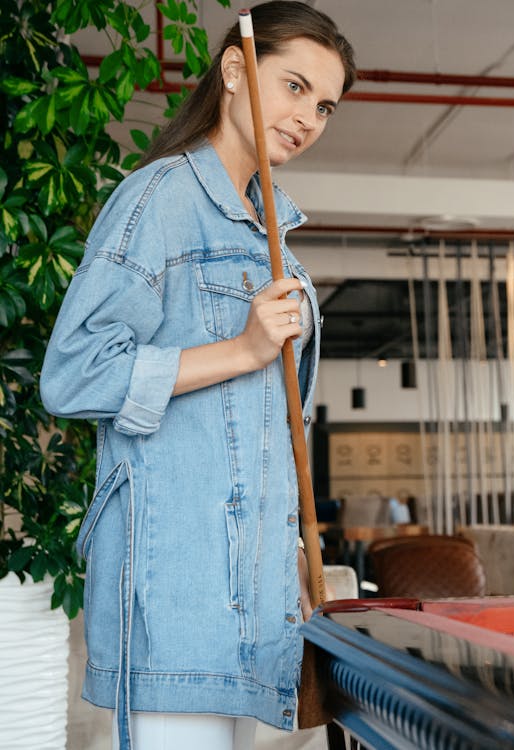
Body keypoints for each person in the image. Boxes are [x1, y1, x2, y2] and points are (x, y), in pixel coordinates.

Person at [39, 3, 355, 749]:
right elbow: (73, 375)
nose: (307, 117)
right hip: (174, 598)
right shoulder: (159, 200)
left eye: (325, 105)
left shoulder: (263, 227)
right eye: (294, 86)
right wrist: (242, 349)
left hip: (247, 600)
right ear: (237, 71)